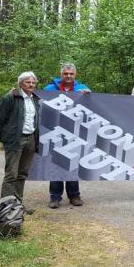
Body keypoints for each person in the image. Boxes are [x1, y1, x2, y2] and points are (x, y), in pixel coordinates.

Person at [0, 72, 40, 212]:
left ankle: (17, 205)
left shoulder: (35, 99)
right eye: (27, 82)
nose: (31, 85)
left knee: (22, 174)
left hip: (30, 139)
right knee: (11, 174)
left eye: (33, 82)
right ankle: (5, 207)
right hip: (14, 140)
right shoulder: (10, 98)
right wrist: (6, 139)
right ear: (21, 83)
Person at [44, 62, 89, 209]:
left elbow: (92, 107)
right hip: (55, 131)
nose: (68, 76)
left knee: (72, 164)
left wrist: (88, 96)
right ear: (61, 74)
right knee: (56, 163)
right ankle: (55, 197)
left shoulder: (82, 89)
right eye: (66, 74)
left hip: (75, 132)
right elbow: (40, 101)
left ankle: (74, 196)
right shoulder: (49, 89)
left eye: (71, 74)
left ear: (75, 75)